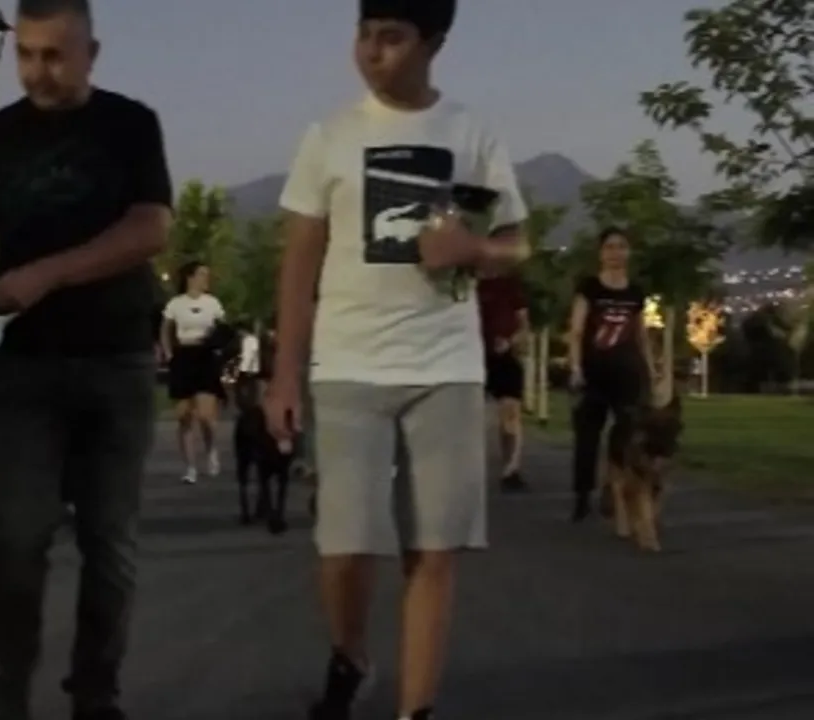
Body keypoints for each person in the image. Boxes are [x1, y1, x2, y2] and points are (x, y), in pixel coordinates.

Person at [0, 0, 172, 717]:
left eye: (54, 55)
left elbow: (150, 229)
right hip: (23, 369)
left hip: (116, 360)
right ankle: (9, 690)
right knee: (19, 536)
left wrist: (47, 273)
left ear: (91, 54)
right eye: (25, 54)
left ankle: (95, 693)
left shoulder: (131, 125)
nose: (37, 71)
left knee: (110, 541)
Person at [264, 1, 528, 718]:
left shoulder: (471, 133)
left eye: (391, 38)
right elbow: (298, 265)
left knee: (433, 550)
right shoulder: (330, 136)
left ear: (433, 43)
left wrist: (476, 248)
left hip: (446, 366)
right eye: (363, 35)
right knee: (345, 547)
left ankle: (417, 710)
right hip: (348, 364)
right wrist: (284, 374)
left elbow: (517, 243)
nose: (371, 51)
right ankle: (351, 655)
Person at [566, 227, 656, 522]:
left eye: (621, 247)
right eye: (610, 247)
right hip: (593, 374)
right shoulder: (589, 287)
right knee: (587, 438)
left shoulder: (635, 292)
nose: (616, 253)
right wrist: (576, 368)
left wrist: (650, 370)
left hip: (627, 374)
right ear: (600, 253)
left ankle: (613, 486)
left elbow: (641, 334)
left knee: (626, 433)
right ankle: (582, 496)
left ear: (629, 252)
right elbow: (576, 330)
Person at [160, 261, 227, 484]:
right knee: (184, 416)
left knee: (206, 416)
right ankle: (190, 467)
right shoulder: (176, 304)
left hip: (205, 356)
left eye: (207, 275)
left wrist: (219, 347)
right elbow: (165, 329)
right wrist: (169, 353)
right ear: (190, 278)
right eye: (201, 274)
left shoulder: (212, 303)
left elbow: (222, 328)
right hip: (183, 355)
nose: (205, 279)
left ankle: (211, 450)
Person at [477, 271, 530, 491]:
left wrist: (510, 341)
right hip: (472, 357)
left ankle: (511, 469)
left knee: (510, 414)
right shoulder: (469, 282)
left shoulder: (510, 284)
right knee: (470, 417)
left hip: (505, 357)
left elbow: (524, 325)